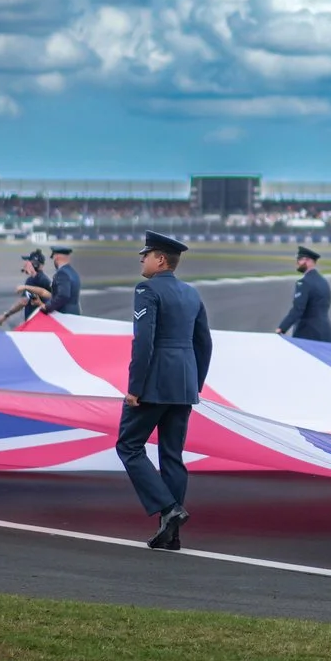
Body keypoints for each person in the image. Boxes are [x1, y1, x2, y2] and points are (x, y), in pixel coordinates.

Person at [119, 231, 213, 550]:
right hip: (184, 384)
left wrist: (135, 387)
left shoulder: (146, 288)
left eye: (145, 254)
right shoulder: (191, 294)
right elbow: (204, 343)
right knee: (172, 456)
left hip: (154, 383)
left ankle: (169, 509)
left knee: (129, 446)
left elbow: (144, 341)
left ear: (160, 260)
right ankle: (170, 532)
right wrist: (194, 384)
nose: (141, 259)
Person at [277, 245, 331, 341]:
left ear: (307, 261)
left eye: (299, 259)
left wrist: (282, 328)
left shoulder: (304, 283)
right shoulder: (323, 281)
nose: (297, 263)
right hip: (325, 333)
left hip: (307, 334)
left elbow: (298, 310)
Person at [0, 251, 50, 328]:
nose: (25, 264)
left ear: (35, 264)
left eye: (28, 262)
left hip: (37, 323)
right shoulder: (39, 279)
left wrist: (6, 315)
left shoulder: (38, 280)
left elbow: (23, 302)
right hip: (39, 322)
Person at [44, 247, 82, 316]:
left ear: (56, 257)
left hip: (64, 314)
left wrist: (47, 307)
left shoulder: (62, 273)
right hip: (74, 312)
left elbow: (63, 295)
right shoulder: (73, 272)